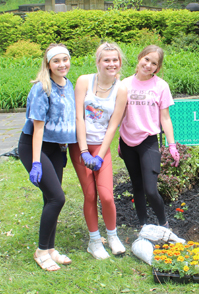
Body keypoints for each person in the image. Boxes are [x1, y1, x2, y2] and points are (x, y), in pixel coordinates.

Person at [18, 44, 76, 271]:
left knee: (50, 198)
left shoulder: (69, 84)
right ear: (48, 64)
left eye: (65, 59)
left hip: (54, 148)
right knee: (57, 198)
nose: (62, 64)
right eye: (56, 61)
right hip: (35, 146)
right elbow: (38, 129)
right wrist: (35, 162)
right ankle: (41, 251)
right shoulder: (43, 88)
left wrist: (62, 149)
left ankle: (51, 249)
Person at [69, 42, 127, 259]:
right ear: (98, 62)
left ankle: (112, 236)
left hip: (101, 147)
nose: (111, 64)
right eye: (107, 60)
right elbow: (79, 117)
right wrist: (84, 151)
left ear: (119, 63)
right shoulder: (84, 81)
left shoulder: (121, 89)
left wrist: (100, 156)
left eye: (115, 60)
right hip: (80, 146)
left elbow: (113, 125)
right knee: (90, 194)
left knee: (107, 196)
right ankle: (94, 241)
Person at [118, 45, 180, 228]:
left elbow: (165, 118)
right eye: (146, 59)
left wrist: (172, 145)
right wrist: (119, 140)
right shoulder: (125, 84)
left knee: (150, 190)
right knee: (136, 186)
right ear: (139, 58)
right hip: (127, 142)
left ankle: (164, 225)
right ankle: (144, 226)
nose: (148, 65)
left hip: (148, 141)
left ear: (157, 68)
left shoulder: (161, 86)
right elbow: (119, 115)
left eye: (154, 63)